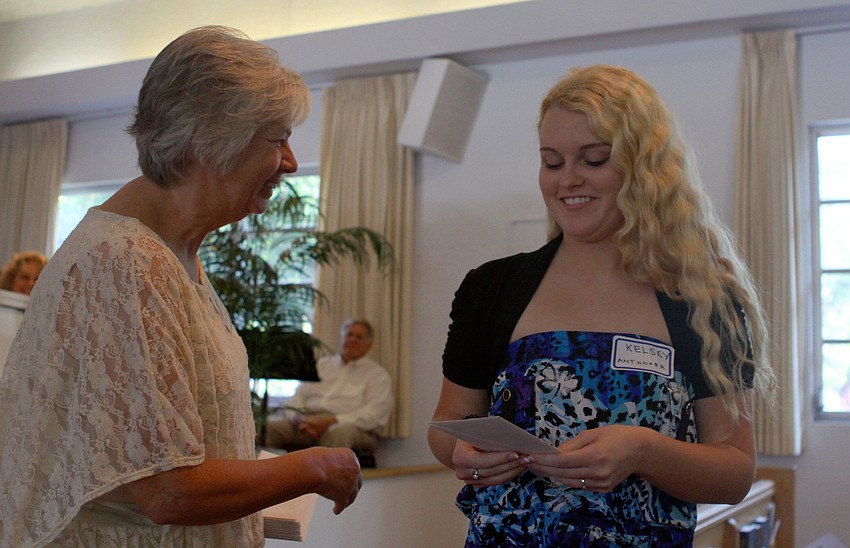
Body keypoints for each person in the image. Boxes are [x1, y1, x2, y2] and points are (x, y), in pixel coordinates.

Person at [0, 26, 361, 547]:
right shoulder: (124, 261)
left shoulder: (171, 252)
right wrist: (316, 467)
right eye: (277, 139)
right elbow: (167, 490)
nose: (290, 162)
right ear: (209, 139)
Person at [427, 65, 776, 546]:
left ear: (644, 168)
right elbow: (446, 426)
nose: (568, 180)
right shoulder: (492, 288)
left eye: (593, 160)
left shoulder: (701, 299)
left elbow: (735, 471)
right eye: (552, 162)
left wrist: (644, 451)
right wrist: (464, 451)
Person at [265, 319, 393, 461]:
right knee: (269, 427)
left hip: (348, 425)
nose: (352, 340)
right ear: (342, 338)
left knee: (337, 433)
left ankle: (324, 482)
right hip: (307, 421)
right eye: (349, 335)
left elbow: (375, 414)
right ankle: (264, 477)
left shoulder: (377, 375)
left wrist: (331, 421)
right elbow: (297, 397)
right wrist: (299, 419)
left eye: (359, 337)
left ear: (369, 344)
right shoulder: (322, 365)